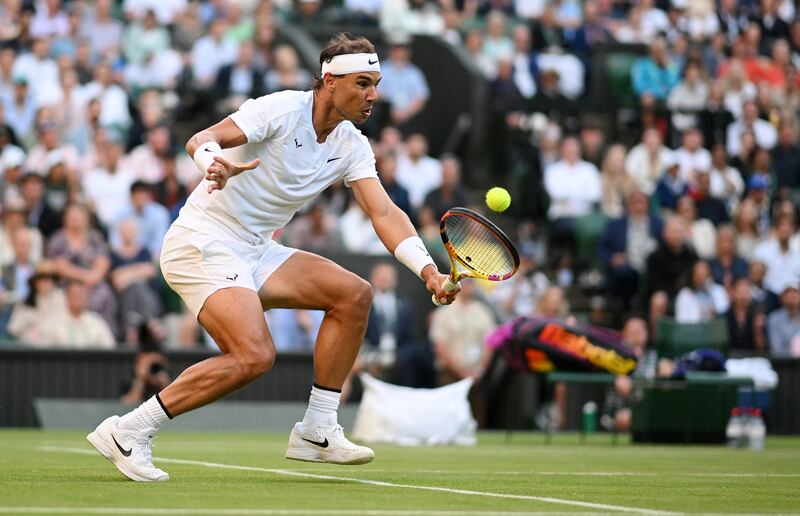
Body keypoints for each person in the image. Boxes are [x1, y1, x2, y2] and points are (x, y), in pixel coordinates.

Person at [87, 33, 459, 481]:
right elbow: (202, 138)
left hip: (257, 248)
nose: (373, 95)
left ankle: (318, 431)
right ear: (330, 80)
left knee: (354, 295)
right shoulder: (281, 109)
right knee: (254, 355)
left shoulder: (352, 145)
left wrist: (428, 271)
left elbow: (383, 211)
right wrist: (213, 162)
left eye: (375, 84)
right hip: (202, 240)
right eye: (363, 83)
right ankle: (129, 429)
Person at [767, 282, 800, 357]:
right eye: (788, 294)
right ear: (782, 298)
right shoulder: (774, 319)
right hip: (782, 365)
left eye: (795, 293)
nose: (792, 297)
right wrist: (796, 352)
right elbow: (777, 349)